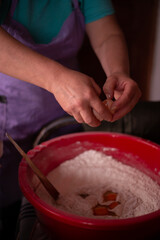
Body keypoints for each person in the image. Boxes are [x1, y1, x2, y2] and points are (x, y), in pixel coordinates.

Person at [0, 0, 141, 239]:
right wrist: (55, 79)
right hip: (8, 121)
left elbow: (107, 33)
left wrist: (118, 71)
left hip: (64, 116)